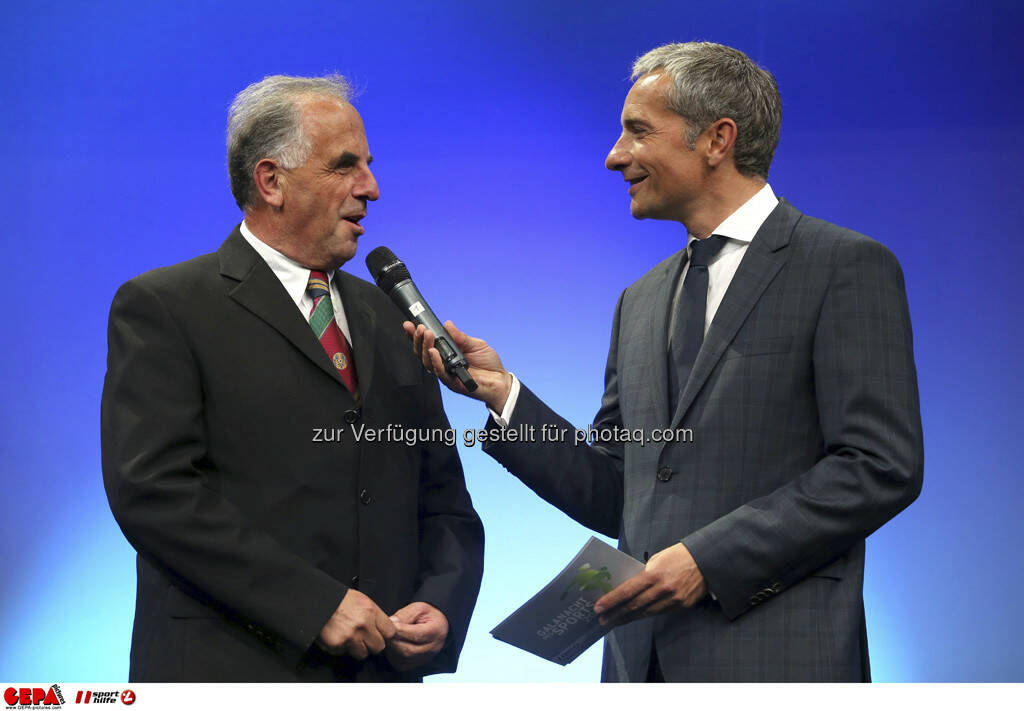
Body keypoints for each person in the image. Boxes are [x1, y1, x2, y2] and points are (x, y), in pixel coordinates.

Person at [408, 42, 923, 682]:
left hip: (779, 663)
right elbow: (619, 493)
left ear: (717, 139)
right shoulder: (641, 301)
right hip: (639, 668)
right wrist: (504, 396)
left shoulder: (842, 266)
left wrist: (709, 560)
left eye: (637, 132)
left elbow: (879, 466)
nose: (614, 155)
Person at [101, 74, 484, 682]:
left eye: (369, 165)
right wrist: (314, 604)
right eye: (345, 165)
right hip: (230, 671)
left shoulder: (392, 316)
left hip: (377, 676)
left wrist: (442, 600)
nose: (372, 188)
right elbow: (155, 493)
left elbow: (445, 502)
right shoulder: (166, 306)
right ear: (272, 181)